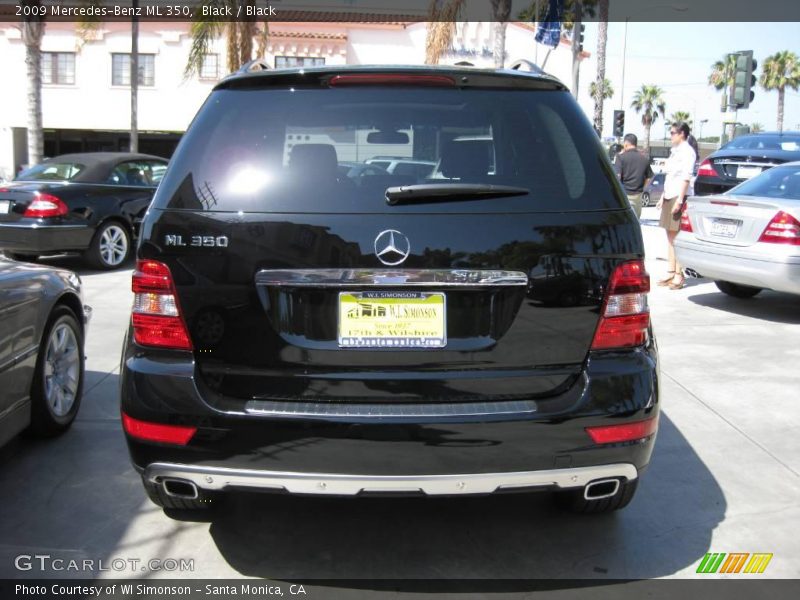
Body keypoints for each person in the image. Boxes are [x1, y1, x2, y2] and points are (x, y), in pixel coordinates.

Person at [656, 121, 697, 290]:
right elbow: (670, 176)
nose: (671, 135)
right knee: (670, 237)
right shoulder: (674, 152)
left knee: (677, 238)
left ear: (682, 134)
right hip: (669, 194)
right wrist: (663, 197)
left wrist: (680, 200)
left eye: (673, 132)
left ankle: (679, 275)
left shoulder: (687, 152)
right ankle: (671, 271)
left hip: (679, 197)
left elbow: (686, 178)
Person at [613, 133, 653, 218]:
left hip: (624, 195)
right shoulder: (644, 159)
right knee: (636, 221)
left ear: (626, 143)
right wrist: (642, 188)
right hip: (638, 196)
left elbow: (617, 176)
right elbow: (649, 177)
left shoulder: (620, 157)